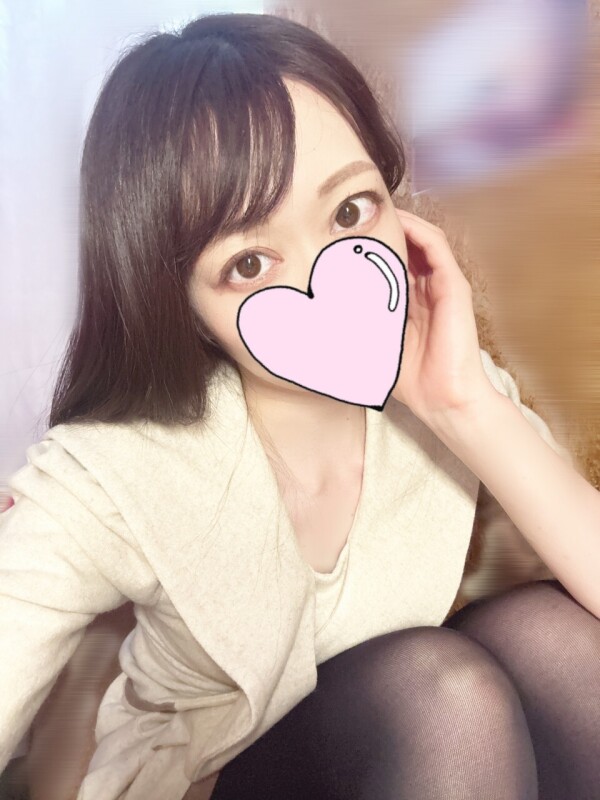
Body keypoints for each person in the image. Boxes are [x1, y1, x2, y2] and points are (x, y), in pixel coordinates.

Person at [1, 11, 599, 800]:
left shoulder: (437, 383)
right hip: (209, 782)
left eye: (351, 211)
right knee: (444, 695)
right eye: (250, 262)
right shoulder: (115, 470)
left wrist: (465, 406)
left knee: (550, 641)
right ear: (179, 303)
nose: (326, 280)